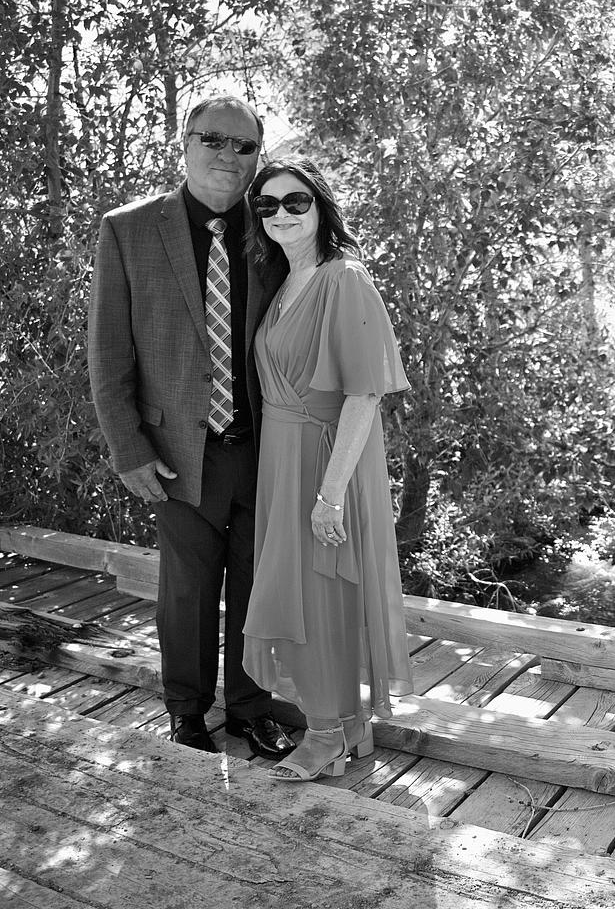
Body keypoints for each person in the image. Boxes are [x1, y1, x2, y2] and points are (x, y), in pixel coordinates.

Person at [88, 95, 295, 760]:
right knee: (186, 593)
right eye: (214, 139)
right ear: (184, 141)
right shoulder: (128, 229)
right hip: (177, 449)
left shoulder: (276, 225)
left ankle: (251, 709)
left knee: (260, 588)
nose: (228, 156)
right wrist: (128, 449)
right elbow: (109, 353)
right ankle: (186, 713)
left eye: (244, 146)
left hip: (267, 446)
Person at [240, 155, 415, 782]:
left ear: (321, 208)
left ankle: (325, 736)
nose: (281, 214)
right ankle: (341, 728)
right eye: (267, 204)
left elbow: (364, 394)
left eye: (296, 202)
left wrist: (331, 494)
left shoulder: (345, 279)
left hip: (322, 463)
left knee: (316, 598)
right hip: (278, 461)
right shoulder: (282, 281)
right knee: (300, 596)